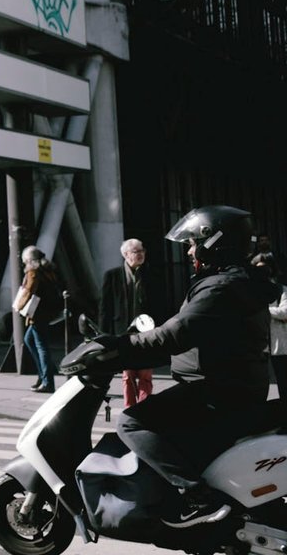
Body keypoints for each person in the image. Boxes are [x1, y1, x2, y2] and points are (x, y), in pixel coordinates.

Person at [108, 205, 278, 528]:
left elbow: (175, 335)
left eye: (192, 244)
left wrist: (117, 348)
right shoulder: (239, 281)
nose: (189, 251)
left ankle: (197, 496)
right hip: (236, 385)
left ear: (213, 243)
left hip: (217, 390)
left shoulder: (220, 287)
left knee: (131, 422)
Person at [99, 237, 164, 407]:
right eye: (136, 251)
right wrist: (104, 336)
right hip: (124, 333)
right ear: (126, 254)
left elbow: (160, 305)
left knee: (145, 374)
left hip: (147, 332)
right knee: (128, 375)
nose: (141, 254)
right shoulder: (112, 276)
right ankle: (130, 409)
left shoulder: (151, 275)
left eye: (142, 250)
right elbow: (105, 309)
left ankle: (144, 409)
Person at [15, 245, 65, 393]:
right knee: (29, 340)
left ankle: (47, 381)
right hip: (47, 312)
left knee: (41, 347)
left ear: (30, 260)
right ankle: (42, 376)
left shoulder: (33, 272)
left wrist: (19, 306)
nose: (24, 264)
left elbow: (29, 291)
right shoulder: (47, 270)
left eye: (25, 261)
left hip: (37, 314)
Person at [254, 251, 287, 400]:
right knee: (259, 379)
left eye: (265, 268)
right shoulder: (251, 290)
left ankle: (286, 408)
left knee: (283, 377)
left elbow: (286, 312)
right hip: (259, 341)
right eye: (258, 268)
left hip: (280, 342)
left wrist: (263, 310)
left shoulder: (281, 289)